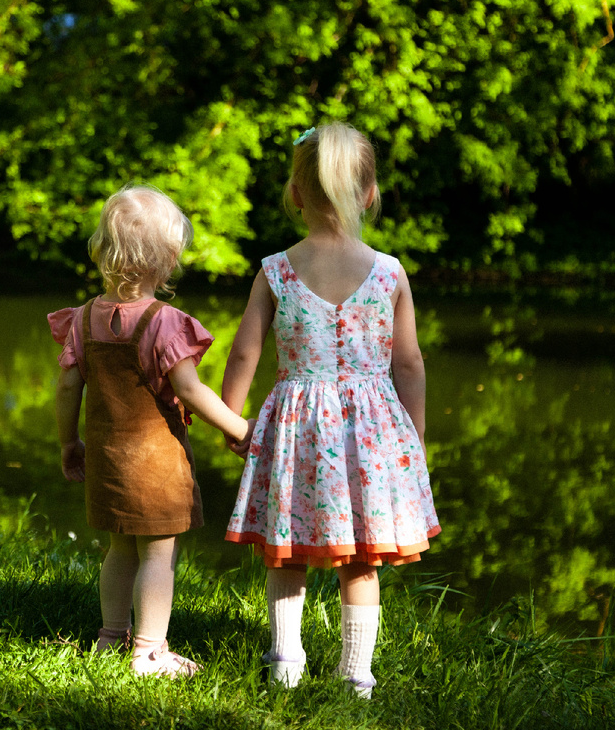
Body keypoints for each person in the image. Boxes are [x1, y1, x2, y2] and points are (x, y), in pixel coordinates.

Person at [221, 123, 440, 694]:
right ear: (370, 193)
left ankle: (285, 660)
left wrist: (232, 417)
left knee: (286, 546)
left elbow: (246, 349)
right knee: (361, 557)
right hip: (370, 436)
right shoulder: (390, 272)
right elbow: (410, 363)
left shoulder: (275, 270)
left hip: (295, 427)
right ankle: (355, 672)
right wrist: (412, 441)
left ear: (295, 193)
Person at [50, 184, 252, 679]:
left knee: (120, 547)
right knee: (158, 554)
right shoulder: (164, 323)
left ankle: (109, 637)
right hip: (155, 464)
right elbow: (190, 390)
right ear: (167, 261)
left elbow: (66, 388)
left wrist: (67, 442)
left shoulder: (81, 320)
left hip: (106, 457)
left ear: (103, 251)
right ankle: (148, 652)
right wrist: (240, 427)